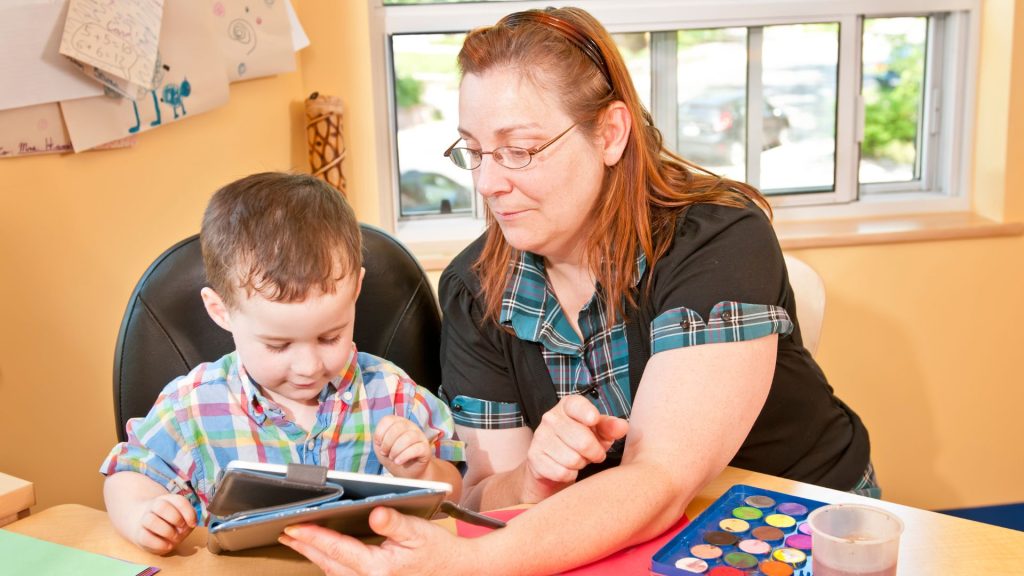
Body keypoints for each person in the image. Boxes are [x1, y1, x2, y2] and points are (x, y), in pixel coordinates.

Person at [279, 7, 875, 574]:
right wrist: (536, 478)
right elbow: (490, 494)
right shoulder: (475, 288)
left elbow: (660, 480)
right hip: (613, 540)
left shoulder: (719, 241)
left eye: (519, 150)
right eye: (476, 151)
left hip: (800, 525)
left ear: (611, 133)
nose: (488, 182)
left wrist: (468, 564)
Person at [100, 172, 464, 555]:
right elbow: (129, 475)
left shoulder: (393, 395)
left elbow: (455, 489)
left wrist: (421, 472)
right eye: (278, 345)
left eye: (330, 337)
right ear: (220, 310)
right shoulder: (192, 406)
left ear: (355, 290)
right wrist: (143, 513)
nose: (308, 366)